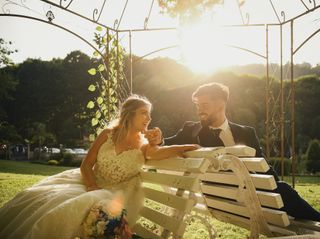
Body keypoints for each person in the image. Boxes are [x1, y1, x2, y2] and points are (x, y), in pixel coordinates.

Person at [0, 95, 198, 239]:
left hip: (117, 194)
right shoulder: (107, 134)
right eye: (144, 113)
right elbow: (86, 164)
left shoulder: (145, 144)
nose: (149, 118)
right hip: (92, 183)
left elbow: (159, 152)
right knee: (38, 198)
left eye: (150, 114)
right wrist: (92, 185)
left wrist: (185, 146)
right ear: (129, 115)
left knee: (69, 206)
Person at [146, 82, 320, 222]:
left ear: (221, 103)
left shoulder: (246, 132)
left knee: (279, 189)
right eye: (198, 105)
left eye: (205, 104)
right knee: (283, 190)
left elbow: (263, 166)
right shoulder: (191, 131)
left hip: (252, 196)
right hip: (225, 199)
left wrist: (272, 184)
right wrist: (159, 139)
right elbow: (168, 143)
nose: (200, 110)